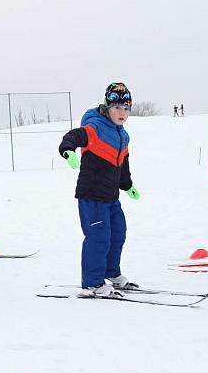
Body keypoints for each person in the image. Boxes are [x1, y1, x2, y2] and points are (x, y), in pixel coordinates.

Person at [58, 82, 141, 297]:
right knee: (98, 236)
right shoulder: (95, 127)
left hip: (111, 196)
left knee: (118, 233)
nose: (122, 113)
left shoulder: (123, 136)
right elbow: (74, 136)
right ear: (107, 107)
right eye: (117, 108)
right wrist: (68, 150)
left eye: (126, 108)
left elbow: (123, 164)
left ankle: (111, 272)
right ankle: (93, 282)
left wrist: (128, 185)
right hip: (92, 195)